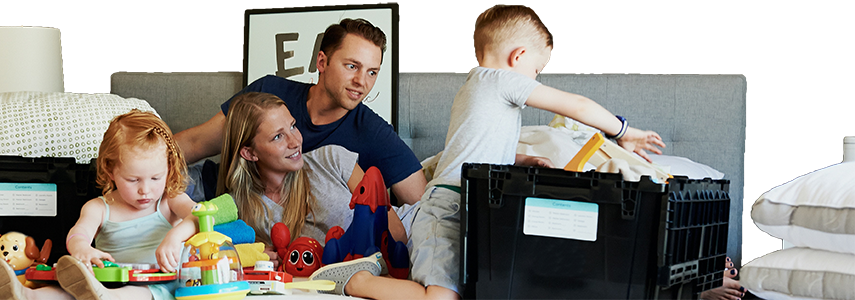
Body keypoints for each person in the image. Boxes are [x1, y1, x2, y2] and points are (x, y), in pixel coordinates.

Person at [309, 5, 666, 300]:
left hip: (475, 207)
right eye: (537, 70)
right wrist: (624, 131)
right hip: (446, 208)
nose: (535, 78)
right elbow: (574, 104)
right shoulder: (498, 80)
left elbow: (474, 150)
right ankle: (357, 281)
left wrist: (520, 161)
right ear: (519, 56)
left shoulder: (477, 90)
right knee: (441, 298)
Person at [174, 18, 427, 207]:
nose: (362, 81)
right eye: (352, 66)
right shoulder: (270, 91)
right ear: (322, 62)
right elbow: (195, 143)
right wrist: (141, 166)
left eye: (372, 72)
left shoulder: (374, 132)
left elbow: (421, 204)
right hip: (209, 193)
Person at [0, 109, 200, 300]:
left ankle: (108, 298)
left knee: (141, 293)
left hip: (159, 285)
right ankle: (26, 296)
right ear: (109, 170)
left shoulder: (170, 200)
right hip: (103, 283)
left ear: (169, 168)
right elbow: (79, 233)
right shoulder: (99, 207)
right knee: (71, 291)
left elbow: (199, 216)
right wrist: (83, 249)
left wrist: (174, 236)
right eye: (133, 180)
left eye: (155, 178)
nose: (145, 189)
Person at [217, 92, 407, 268]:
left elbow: (398, 234)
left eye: (293, 126)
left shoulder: (331, 159)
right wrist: (256, 257)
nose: (295, 142)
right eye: (278, 137)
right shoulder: (241, 209)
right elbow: (207, 246)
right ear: (249, 153)